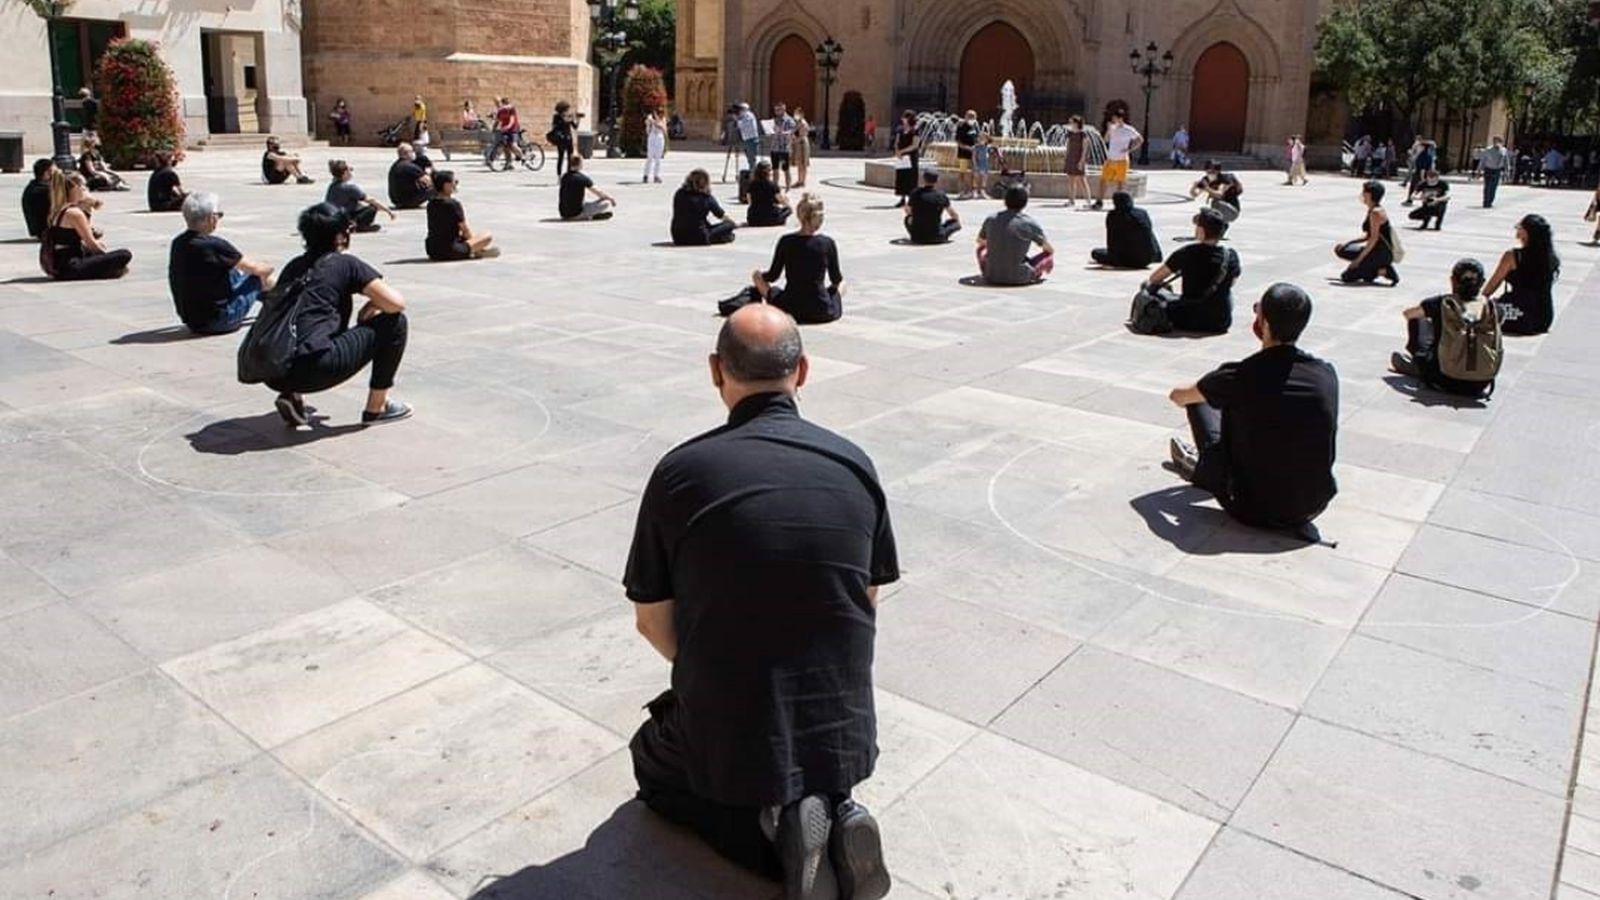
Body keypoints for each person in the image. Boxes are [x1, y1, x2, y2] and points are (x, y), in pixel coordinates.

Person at [626, 303, 898, 900]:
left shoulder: (681, 473)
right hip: (843, 727)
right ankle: (836, 809)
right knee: (801, 752)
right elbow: (866, 599)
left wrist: (704, 669)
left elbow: (651, 621)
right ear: (802, 371)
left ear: (715, 370)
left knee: (651, 763)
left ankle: (774, 837)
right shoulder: (855, 464)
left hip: (733, 721)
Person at [1166, 283, 1338, 536]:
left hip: (1252, 507)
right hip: (1313, 506)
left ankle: (1204, 470)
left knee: (1200, 400)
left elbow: (1178, 396)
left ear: (1264, 323)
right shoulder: (1324, 372)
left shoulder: (1240, 375)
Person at [264, 203, 411, 428]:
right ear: (340, 236)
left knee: (307, 322)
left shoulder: (294, 266)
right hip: (318, 368)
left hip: (274, 370)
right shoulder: (344, 263)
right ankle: (377, 407)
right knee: (395, 323)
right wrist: (372, 305)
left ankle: (292, 394)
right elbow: (396, 304)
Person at [168, 191, 276, 334]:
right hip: (218, 321)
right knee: (259, 278)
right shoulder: (214, 245)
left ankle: (273, 302)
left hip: (192, 321)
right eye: (218, 215)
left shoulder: (178, 243)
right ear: (211, 218)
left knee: (232, 269)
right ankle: (280, 306)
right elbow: (258, 270)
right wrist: (269, 267)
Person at [1390, 259, 1496, 398]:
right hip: (1481, 383)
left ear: (1453, 280)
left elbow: (1408, 314)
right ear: (1482, 282)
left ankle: (1418, 366)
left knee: (1418, 319)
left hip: (1446, 379)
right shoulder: (1492, 308)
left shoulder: (1441, 303)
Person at [749, 193, 844, 325]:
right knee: (841, 284)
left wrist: (760, 275)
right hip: (820, 309)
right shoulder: (827, 243)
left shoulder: (786, 241)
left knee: (757, 277)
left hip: (791, 307)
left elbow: (772, 276)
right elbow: (836, 279)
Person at [1142, 208, 1240, 334]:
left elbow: (1155, 278)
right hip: (1221, 321)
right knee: (1225, 293)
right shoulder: (1231, 256)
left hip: (1189, 319)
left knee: (1151, 289)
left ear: (1201, 231)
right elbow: (1231, 282)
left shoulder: (1186, 253)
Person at [41, 171, 131, 281]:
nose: (86, 190)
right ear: (75, 188)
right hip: (71, 266)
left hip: (58, 264)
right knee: (124, 254)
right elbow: (92, 245)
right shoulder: (74, 213)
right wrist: (106, 258)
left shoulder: (57, 210)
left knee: (99, 256)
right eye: (83, 187)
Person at [1484, 214, 1560, 335]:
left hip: (1518, 312)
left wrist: (1479, 301)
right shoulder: (1551, 258)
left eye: (1519, 227)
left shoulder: (1512, 256)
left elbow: (1493, 285)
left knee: (1484, 313)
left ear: (1527, 232)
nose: (1517, 229)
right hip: (1544, 317)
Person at [976, 185, 1055, 285]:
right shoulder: (1029, 223)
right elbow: (1049, 249)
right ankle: (1034, 273)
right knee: (1048, 256)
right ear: (1025, 203)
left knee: (980, 249)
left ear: (1005, 201)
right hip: (1019, 277)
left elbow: (980, 241)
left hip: (991, 275)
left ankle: (995, 266)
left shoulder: (991, 219)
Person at [1335, 180, 1399, 286]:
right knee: (1342, 249)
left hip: (1381, 253)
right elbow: (1368, 235)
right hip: (1373, 250)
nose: (1362, 194)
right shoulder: (1372, 209)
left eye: (1364, 192)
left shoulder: (1376, 213)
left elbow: (1373, 239)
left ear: (1369, 194)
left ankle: (1384, 270)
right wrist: (1349, 242)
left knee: (1346, 277)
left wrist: (1358, 260)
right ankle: (1369, 269)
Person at [425, 171, 497, 261]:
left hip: (433, 251)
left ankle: (476, 250)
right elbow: (464, 229)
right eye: (454, 182)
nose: (455, 185)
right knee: (487, 235)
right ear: (446, 185)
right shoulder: (453, 204)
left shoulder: (431, 204)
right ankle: (478, 251)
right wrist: (475, 244)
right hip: (450, 251)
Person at [1090, 191, 1160, 269]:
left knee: (1096, 252)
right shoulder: (1142, 213)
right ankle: (1157, 255)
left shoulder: (1113, 215)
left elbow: (1112, 239)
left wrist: (1113, 259)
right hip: (1147, 258)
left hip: (1125, 260)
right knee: (1146, 231)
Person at [326, 159, 395, 233]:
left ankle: (352, 224)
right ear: (345, 173)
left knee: (358, 205)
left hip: (333, 216)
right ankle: (356, 225)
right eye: (350, 171)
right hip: (344, 217)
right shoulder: (349, 188)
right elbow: (371, 200)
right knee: (372, 208)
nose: (351, 173)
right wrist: (388, 211)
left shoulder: (332, 186)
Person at [1094, 104, 1141, 210]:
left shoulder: (1129, 129)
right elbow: (1105, 140)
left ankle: (1119, 204)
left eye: (1115, 118)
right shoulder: (1112, 128)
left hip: (1122, 160)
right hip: (1111, 158)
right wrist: (1108, 130)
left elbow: (1140, 139)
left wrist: (1129, 149)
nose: (1113, 120)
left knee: (1120, 182)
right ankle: (1099, 201)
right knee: (1103, 180)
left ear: (1120, 118)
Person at [672, 168, 736, 245]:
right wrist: (733, 223)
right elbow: (720, 214)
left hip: (678, 237)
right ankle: (722, 237)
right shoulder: (706, 198)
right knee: (729, 225)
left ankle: (722, 237)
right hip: (700, 236)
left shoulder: (679, 193)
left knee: (703, 224)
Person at [905, 168, 961, 244]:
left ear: (924, 179)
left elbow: (908, 210)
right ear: (937, 180)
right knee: (956, 223)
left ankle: (916, 232)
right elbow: (954, 215)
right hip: (937, 236)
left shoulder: (915, 193)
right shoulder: (941, 195)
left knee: (907, 219)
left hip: (917, 237)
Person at [558, 154, 616, 221]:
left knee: (583, 202)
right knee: (606, 202)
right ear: (580, 164)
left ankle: (588, 216)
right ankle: (589, 216)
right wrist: (610, 198)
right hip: (576, 213)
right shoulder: (582, 178)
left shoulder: (564, 177)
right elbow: (598, 192)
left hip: (563, 213)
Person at [387, 143, 433, 209]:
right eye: (412, 151)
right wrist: (429, 171)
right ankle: (437, 204)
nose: (413, 153)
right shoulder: (409, 166)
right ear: (406, 153)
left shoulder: (396, 165)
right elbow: (428, 180)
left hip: (396, 200)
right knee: (435, 186)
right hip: (407, 201)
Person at [745, 161, 790, 227]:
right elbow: (781, 201)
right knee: (788, 210)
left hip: (754, 219)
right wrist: (786, 201)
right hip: (770, 218)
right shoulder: (772, 185)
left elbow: (750, 202)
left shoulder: (751, 185)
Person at [892, 110, 921, 208]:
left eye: (905, 117)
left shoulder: (915, 130)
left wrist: (903, 151)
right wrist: (897, 150)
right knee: (902, 176)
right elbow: (897, 141)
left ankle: (911, 200)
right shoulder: (900, 129)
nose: (903, 119)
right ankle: (902, 198)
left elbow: (915, 145)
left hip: (911, 157)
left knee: (911, 177)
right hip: (902, 157)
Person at [22, 158, 56, 239]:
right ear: (47, 172)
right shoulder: (41, 191)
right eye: (55, 171)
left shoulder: (34, 186)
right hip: (45, 231)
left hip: (41, 230)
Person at [1063, 115, 1090, 207]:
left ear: (1076, 123)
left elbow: (1085, 148)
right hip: (1071, 157)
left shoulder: (1083, 134)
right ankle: (1071, 200)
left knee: (1082, 180)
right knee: (1071, 180)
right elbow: (1068, 145)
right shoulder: (1070, 133)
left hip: (1078, 158)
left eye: (1072, 122)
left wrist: (1082, 161)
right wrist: (1066, 156)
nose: (1070, 124)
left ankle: (1088, 201)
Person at [769, 103, 796, 190]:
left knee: (786, 169)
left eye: (778, 110)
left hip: (784, 148)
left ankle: (788, 187)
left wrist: (782, 132)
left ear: (783, 109)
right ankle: (775, 187)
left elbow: (792, 132)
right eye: (775, 110)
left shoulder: (789, 120)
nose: (776, 112)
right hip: (775, 147)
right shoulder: (774, 120)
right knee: (775, 169)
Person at [548, 99, 578, 175]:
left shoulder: (569, 116)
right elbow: (555, 126)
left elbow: (575, 127)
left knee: (570, 158)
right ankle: (559, 175)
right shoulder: (556, 117)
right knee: (561, 158)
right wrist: (564, 120)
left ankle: (569, 174)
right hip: (561, 139)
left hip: (568, 139)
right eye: (567, 109)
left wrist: (576, 119)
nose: (568, 110)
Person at [955, 110, 980, 200]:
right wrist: (968, 148)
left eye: (973, 117)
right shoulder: (961, 126)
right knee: (962, 172)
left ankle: (973, 191)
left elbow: (978, 138)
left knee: (974, 172)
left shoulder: (975, 126)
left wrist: (978, 147)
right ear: (965, 116)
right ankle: (962, 191)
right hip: (963, 153)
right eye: (970, 116)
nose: (972, 119)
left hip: (974, 153)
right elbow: (958, 141)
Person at [1403, 139, 1436, 205]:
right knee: (1425, 188)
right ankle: (1427, 201)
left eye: (1420, 146)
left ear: (1423, 147)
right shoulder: (1429, 156)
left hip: (1419, 174)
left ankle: (1410, 199)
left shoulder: (1423, 156)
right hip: (1426, 174)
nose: (1419, 147)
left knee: (1414, 187)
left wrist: (1422, 178)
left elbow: (1422, 168)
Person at [1479, 136, 1510, 207]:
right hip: (1488, 169)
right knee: (1487, 186)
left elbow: (1506, 162)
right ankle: (1486, 201)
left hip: (1497, 170)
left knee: (1493, 187)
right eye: (1495, 141)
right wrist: (1479, 170)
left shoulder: (1503, 151)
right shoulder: (1488, 150)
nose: (1496, 143)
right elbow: (1482, 161)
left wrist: (1507, 171)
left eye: (1498, 141)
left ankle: (1490, 201)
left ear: (1501, 142)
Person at [644, 106, 668, 183]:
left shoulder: (663, 119)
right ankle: (646, 175)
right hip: (652, 137)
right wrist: (649, 121)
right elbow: (647, 130)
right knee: (649, 157)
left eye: (662, 113)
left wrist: (655, 121)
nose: (661, 115)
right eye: (659, 113)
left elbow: (663, 128)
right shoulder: (650, 119)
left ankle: (656, 176)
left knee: (658, 159)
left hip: (660, 137)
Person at [736, 102, 761, 175]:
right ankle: (752, 172)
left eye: (741, 109)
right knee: (749, 158)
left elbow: (741, 125)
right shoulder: (744, 116)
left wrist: (737, 120)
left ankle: (753, 174)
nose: (740, 111)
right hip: (747, 140)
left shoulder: (748, 115)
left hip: (751, 140)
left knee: (752, 159)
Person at [791, 108, 812, 188]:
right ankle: (799, 180)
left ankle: (802, 181)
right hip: (798, 144)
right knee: (799, 163)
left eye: (797, 113)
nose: (795, 115)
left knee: (803, 163)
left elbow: (802, 135)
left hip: (802, 144)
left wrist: (794, 139)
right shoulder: (797, 123)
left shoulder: (803, 123)